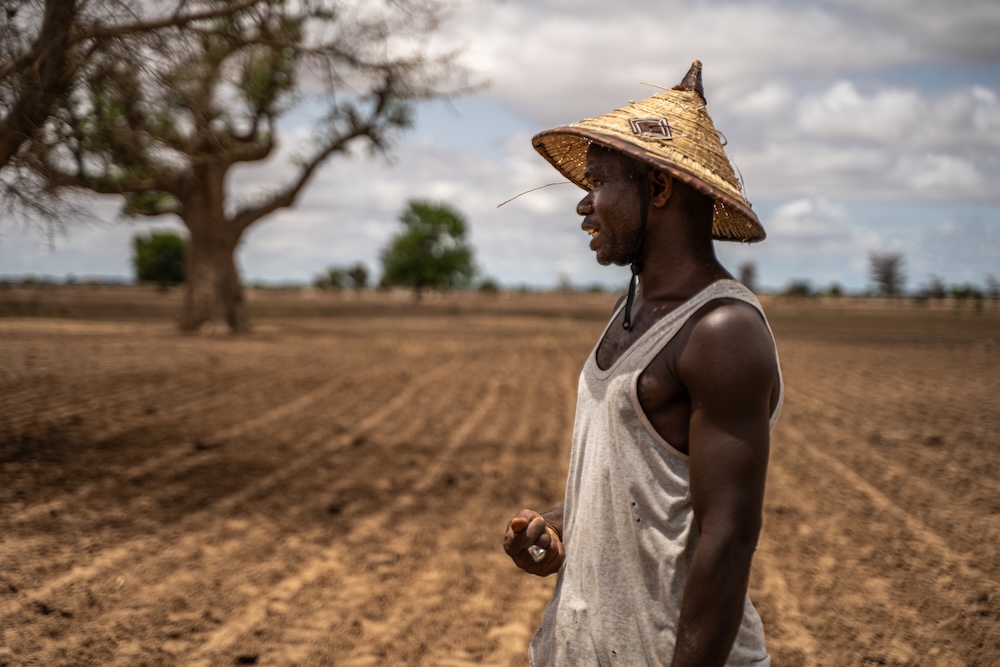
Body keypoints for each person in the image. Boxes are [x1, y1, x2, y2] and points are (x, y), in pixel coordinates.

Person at [503, 60, 783, 667]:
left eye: (599, 182)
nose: (584, 204)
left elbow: (727, 539)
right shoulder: (632, 313)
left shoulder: (722, 331)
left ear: (658, 190)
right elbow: (643, 491)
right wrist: (561, 526)